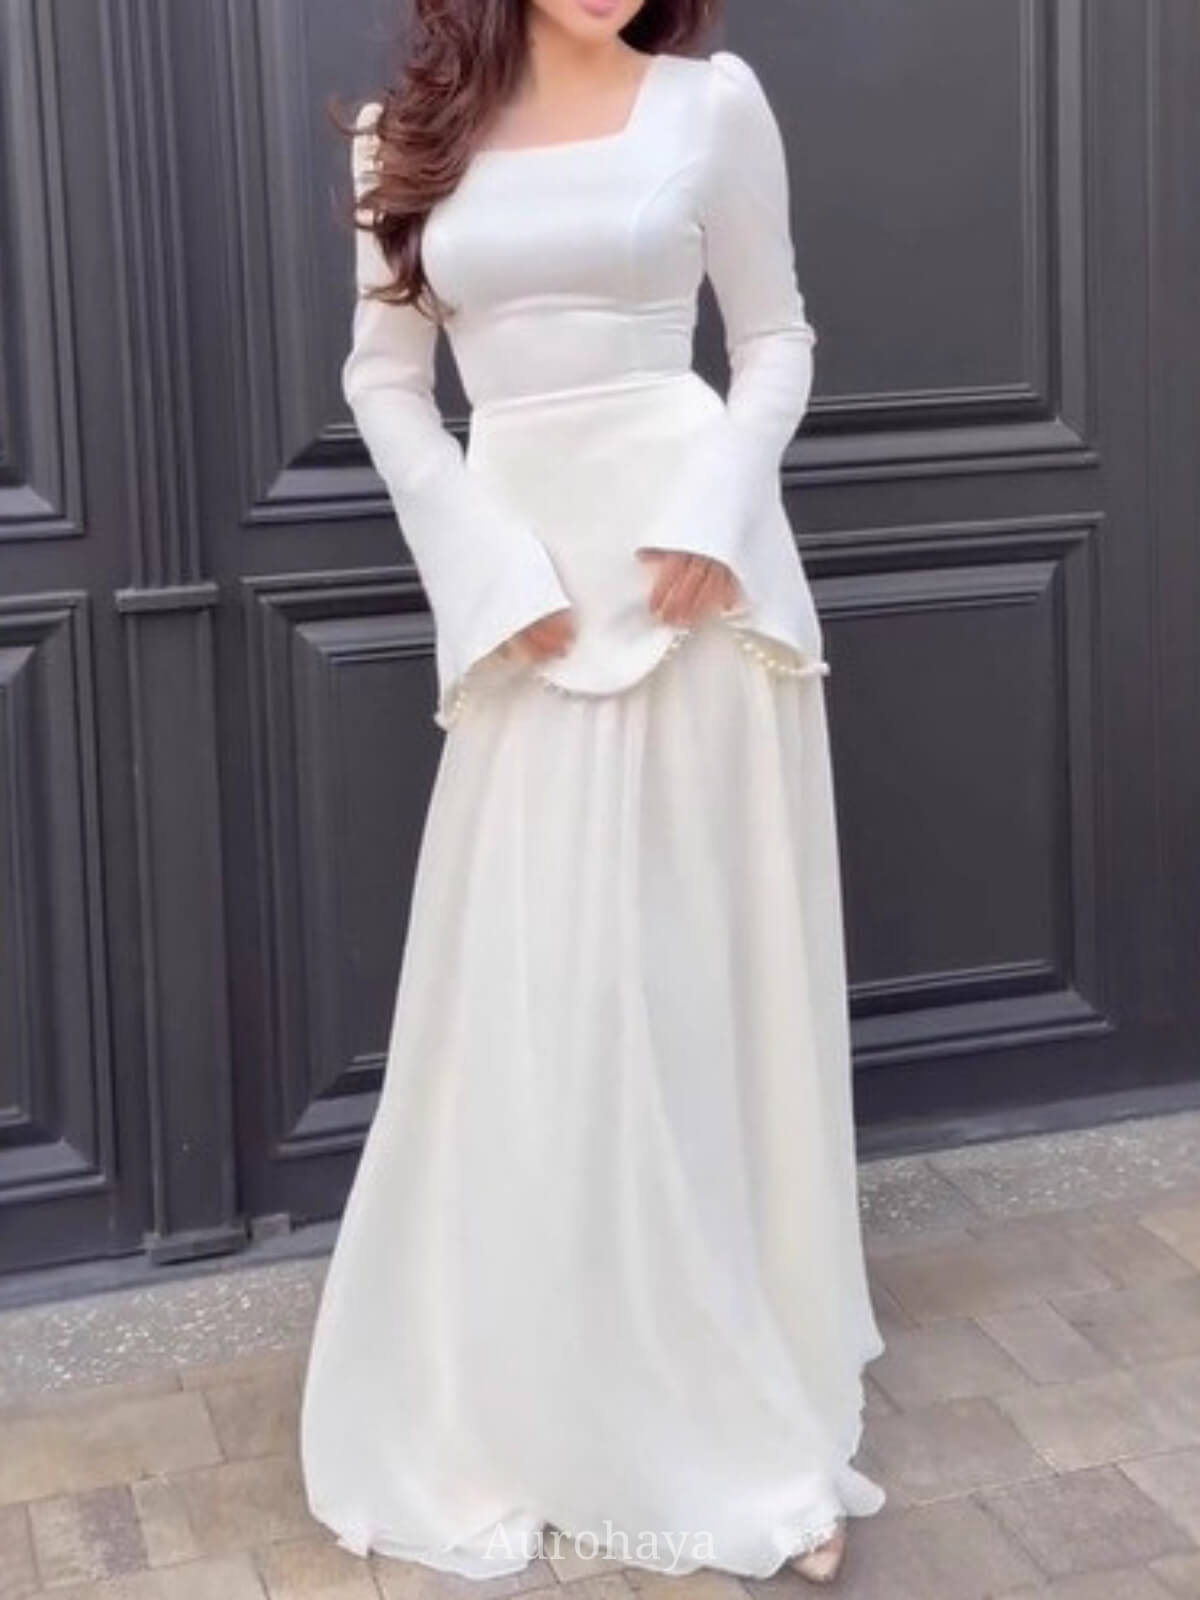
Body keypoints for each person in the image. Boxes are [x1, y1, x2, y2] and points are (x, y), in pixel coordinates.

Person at [300, 0, 886, 1585]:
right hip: (530, 598)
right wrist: (483, 572)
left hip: (698, 587)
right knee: (543, 984)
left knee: (689, 982)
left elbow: (774, 341)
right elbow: (386, 383)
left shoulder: (714, 103)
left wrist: (714, 511)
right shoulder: (403, 138)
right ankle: (539, 1375)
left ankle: (730, 1408)